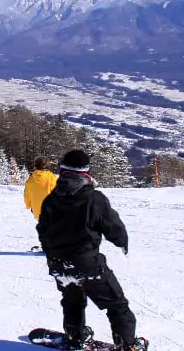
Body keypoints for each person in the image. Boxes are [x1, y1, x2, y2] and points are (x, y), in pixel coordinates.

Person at [36, 149, 148, 351]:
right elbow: (113, 226)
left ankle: (75, 336)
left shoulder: (50, 199)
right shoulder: (94, 199)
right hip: (87, 265)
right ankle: (128, 345)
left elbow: (42, 230)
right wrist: (122, 243)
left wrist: (52, 253)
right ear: (86, 173)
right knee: (116, 304)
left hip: (59, 264)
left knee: (72, 300)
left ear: (62, 171)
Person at [24, 156, 58, 220]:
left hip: (36, 212)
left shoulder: (30, 179)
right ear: (47, 165)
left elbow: (26, 195)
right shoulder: (51, 177)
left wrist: (28, 205)